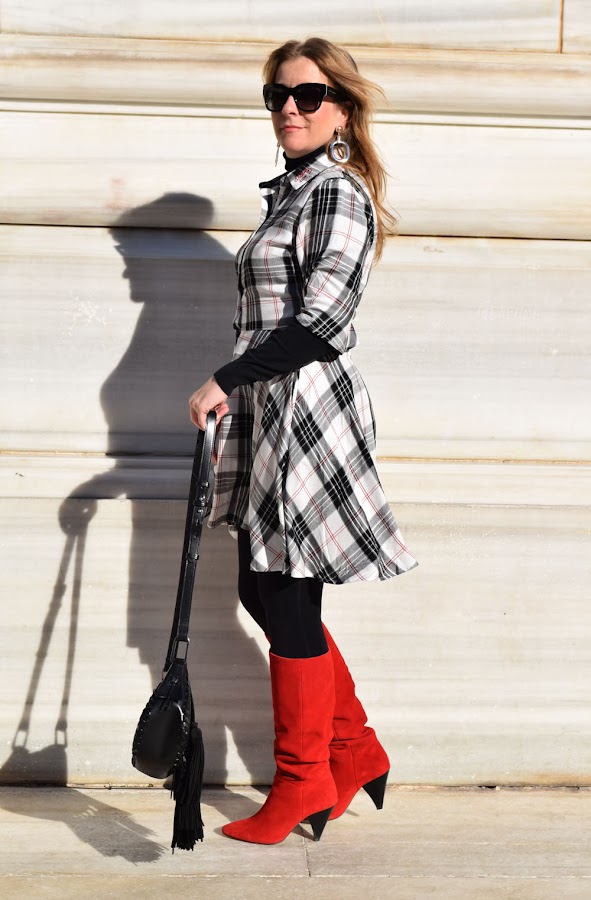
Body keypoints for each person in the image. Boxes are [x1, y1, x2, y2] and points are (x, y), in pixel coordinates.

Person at [189, 37, 418, 845]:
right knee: (263, 590)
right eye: (277, 96)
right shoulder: (289, 196)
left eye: (308, 95)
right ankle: (350, 750)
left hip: (305, 415)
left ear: (342, 110)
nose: (289, 108)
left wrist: (225, 377)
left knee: (284, 592)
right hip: (269, 409)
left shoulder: (335, 195)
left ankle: (301, 781)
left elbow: (323, 322)